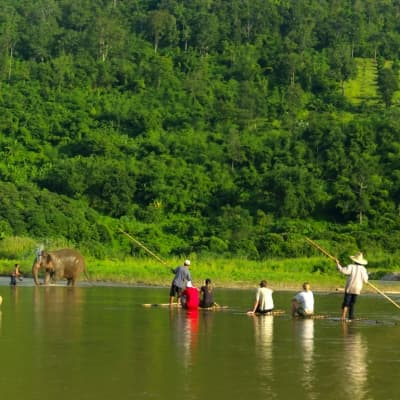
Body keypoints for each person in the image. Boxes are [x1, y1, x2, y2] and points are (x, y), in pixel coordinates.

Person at [336, 252, 369, 321]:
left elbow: (342, 271)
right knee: (352, 302)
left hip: (350, 287)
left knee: (346, 302)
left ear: (354, 260)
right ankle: (351, 316)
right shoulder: (363, 269)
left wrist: (338, 264)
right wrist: (366, 281)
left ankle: (343, 317)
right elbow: (365, 280)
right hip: (357, 288)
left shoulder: (351, 266)